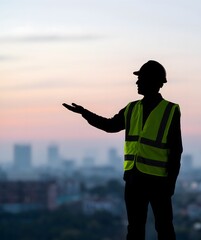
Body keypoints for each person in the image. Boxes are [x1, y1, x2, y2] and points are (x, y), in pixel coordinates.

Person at [63, 60, 183, 240]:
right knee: (135, 228)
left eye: (140, 78)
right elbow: (110, 125)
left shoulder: (170, 110)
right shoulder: (131, 108)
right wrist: (85, 113)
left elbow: (176, 150)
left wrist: (170, 184)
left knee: (164, 227)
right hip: (134, 179)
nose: (137, 82)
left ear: (153, 81)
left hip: (159, 182)